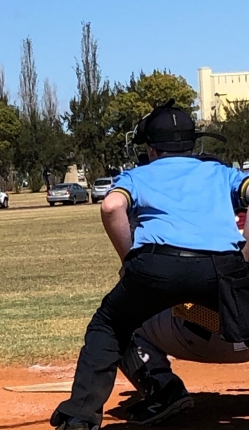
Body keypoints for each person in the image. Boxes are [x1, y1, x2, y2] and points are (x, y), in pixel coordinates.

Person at [51, 99, 249, 430]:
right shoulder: (218, 171)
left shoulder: (138, 175)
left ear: (152, 148)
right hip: (220, 267)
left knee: (109, 325)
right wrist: (244, 259)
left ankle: (81, 417)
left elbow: (112, 206)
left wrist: (129, 260)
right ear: (193, 143)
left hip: (157, 265)